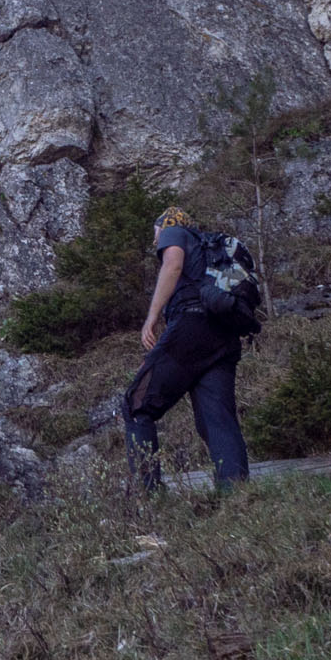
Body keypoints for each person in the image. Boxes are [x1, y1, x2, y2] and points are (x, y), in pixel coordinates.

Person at [123, 206, 250, 493]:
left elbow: (173, 266)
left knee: (135, 405)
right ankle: (237, 498)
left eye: (155, 236)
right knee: (217, 418)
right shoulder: (209, 250)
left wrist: (152, 318)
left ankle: (147, 500)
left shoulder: (174, 230)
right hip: (223, 335)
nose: (156, 242)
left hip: (191, 326)